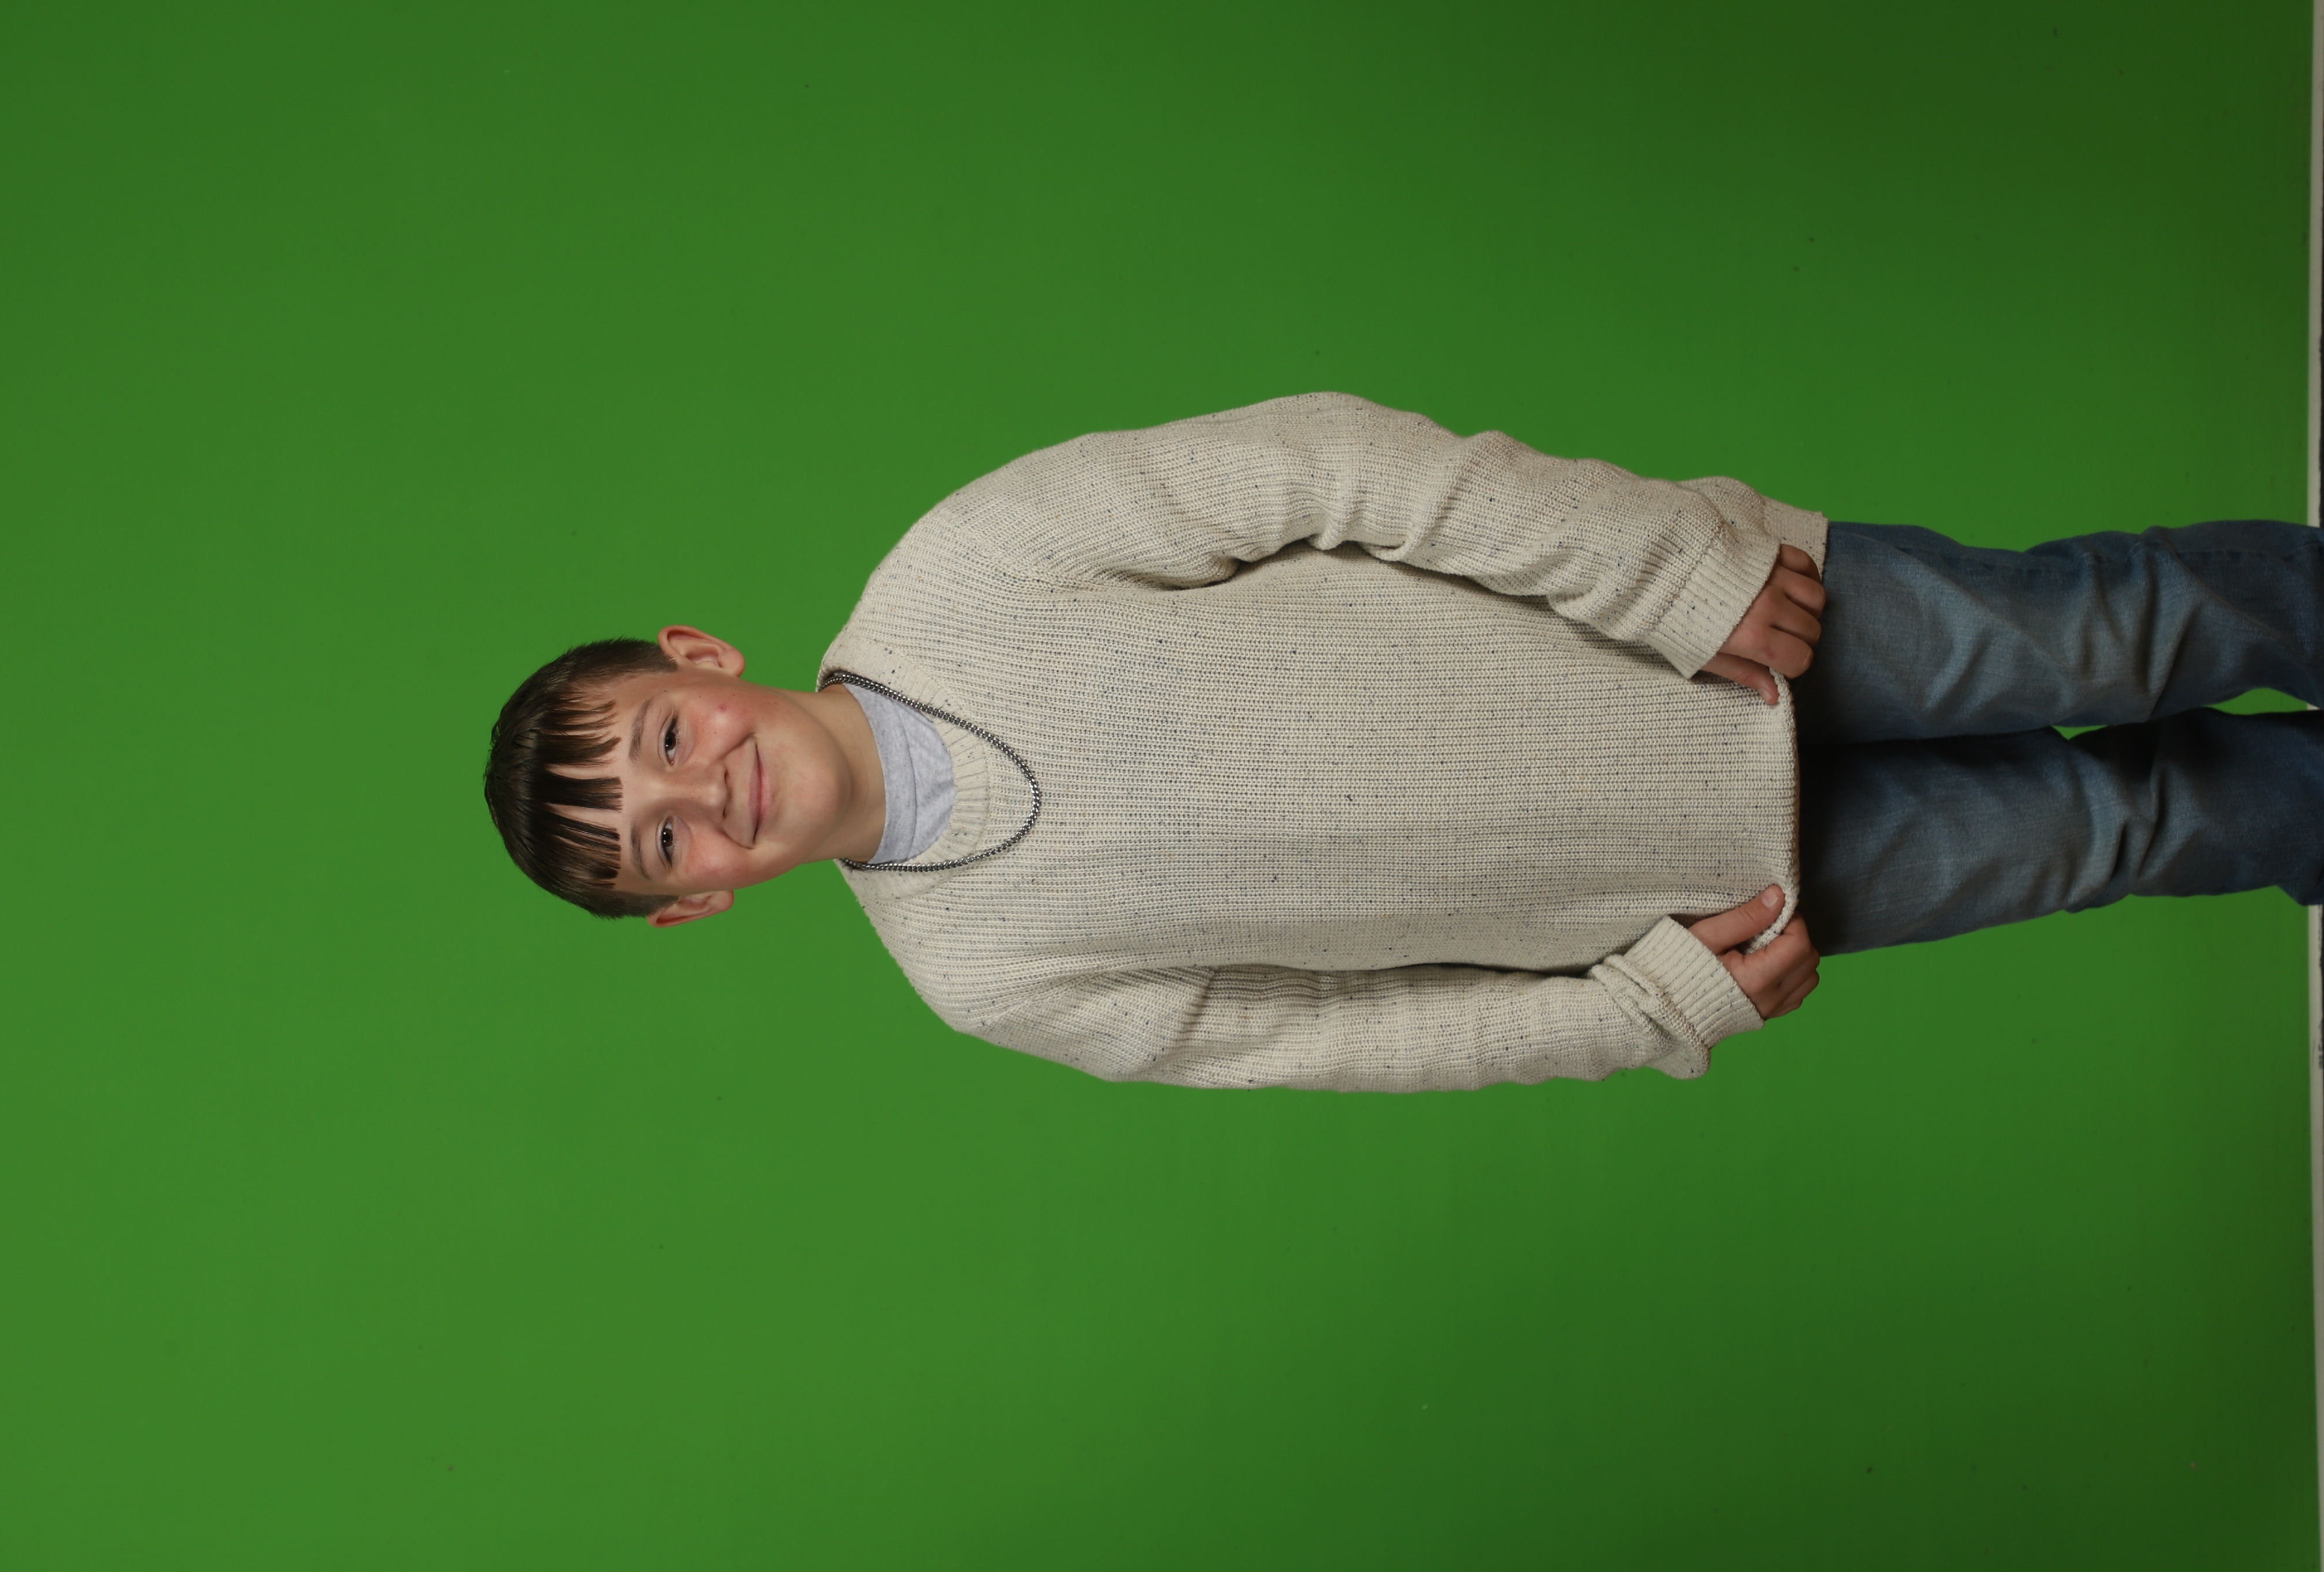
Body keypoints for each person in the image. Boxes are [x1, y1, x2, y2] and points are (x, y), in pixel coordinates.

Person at [483, 392, 2324, 1091]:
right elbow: (1347, 1042)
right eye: (665, 838)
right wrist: (1641, 1011)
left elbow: (1341, 468)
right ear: (696, 905)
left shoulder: (970, 562)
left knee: (2119, 631)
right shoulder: (986, 977)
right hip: (1713, 888)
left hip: (1724, 630)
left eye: (666, 735)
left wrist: (1667, 574)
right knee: (2123, 829)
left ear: (701, 657)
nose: (704, 790)